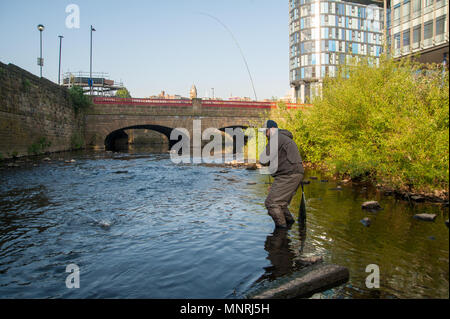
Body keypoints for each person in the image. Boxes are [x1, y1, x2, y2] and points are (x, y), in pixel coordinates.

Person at [260, 120, 304, 228]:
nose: (264, 134)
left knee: (272, 203)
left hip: (289, 175)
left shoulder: (276, 138)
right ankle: (289, 226)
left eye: (265, 131)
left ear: (271, 129)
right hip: (292, 174)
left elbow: (264, 160)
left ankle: (282, 231)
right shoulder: (282, 137)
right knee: (281, 205)